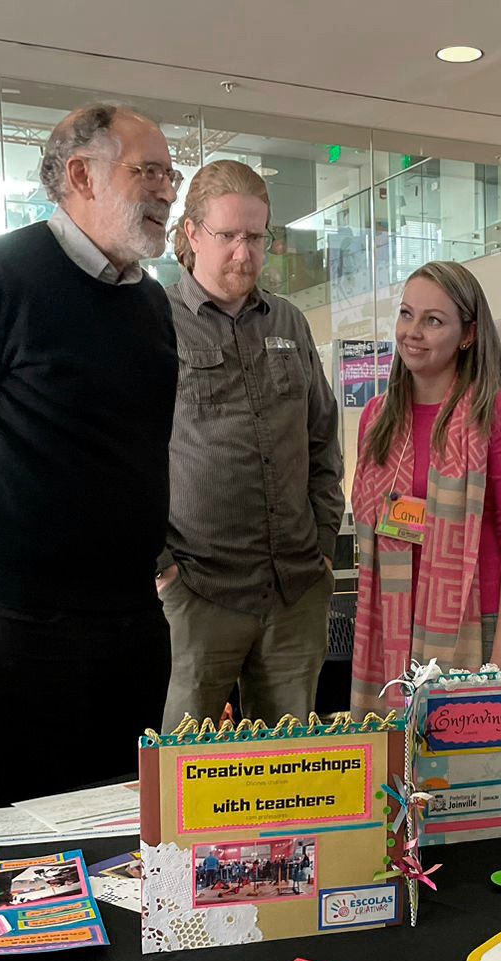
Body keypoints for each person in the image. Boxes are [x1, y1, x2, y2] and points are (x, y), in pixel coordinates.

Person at [0, 103, 180, 805]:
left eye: (173, 174)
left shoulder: (151, 304)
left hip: (131, 616)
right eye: (150, 172)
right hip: (20, 625)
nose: (168, 190)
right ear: (80, 174)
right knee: (27, 831)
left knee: (121, 818)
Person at [160, 160, 343, 727]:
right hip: (199, 591)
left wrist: (322, 537)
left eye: (256, 237)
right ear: (191, 234)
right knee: (182, 776)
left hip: (294, 588)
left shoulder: (289, 321)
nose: (244, 252)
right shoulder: (155, 323)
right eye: (228, 236)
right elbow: (127, 458)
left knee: (285, 770)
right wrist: (163, 568)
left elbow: (321, 437)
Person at [350, 262, 501, 713]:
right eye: (406, 314)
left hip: (482, 624)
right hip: (393, 625)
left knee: (475, 773)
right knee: (400, 770)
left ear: (467, 334)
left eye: (433, 321)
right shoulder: (376, 419)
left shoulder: (497, 414)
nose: (413, 332)